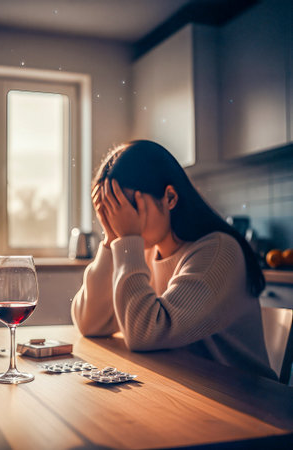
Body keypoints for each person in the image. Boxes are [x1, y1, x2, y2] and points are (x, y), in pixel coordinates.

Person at [71, 140, 276, 380]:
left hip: (245, 399)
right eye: (114, 208)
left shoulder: (218, 251)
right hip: (188, 387)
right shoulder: (144, 251)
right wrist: (110, 239)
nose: (122, 218)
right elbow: (90, 323)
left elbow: (146, 334)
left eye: (130, 206)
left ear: (169, 197)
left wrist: (127, 239)